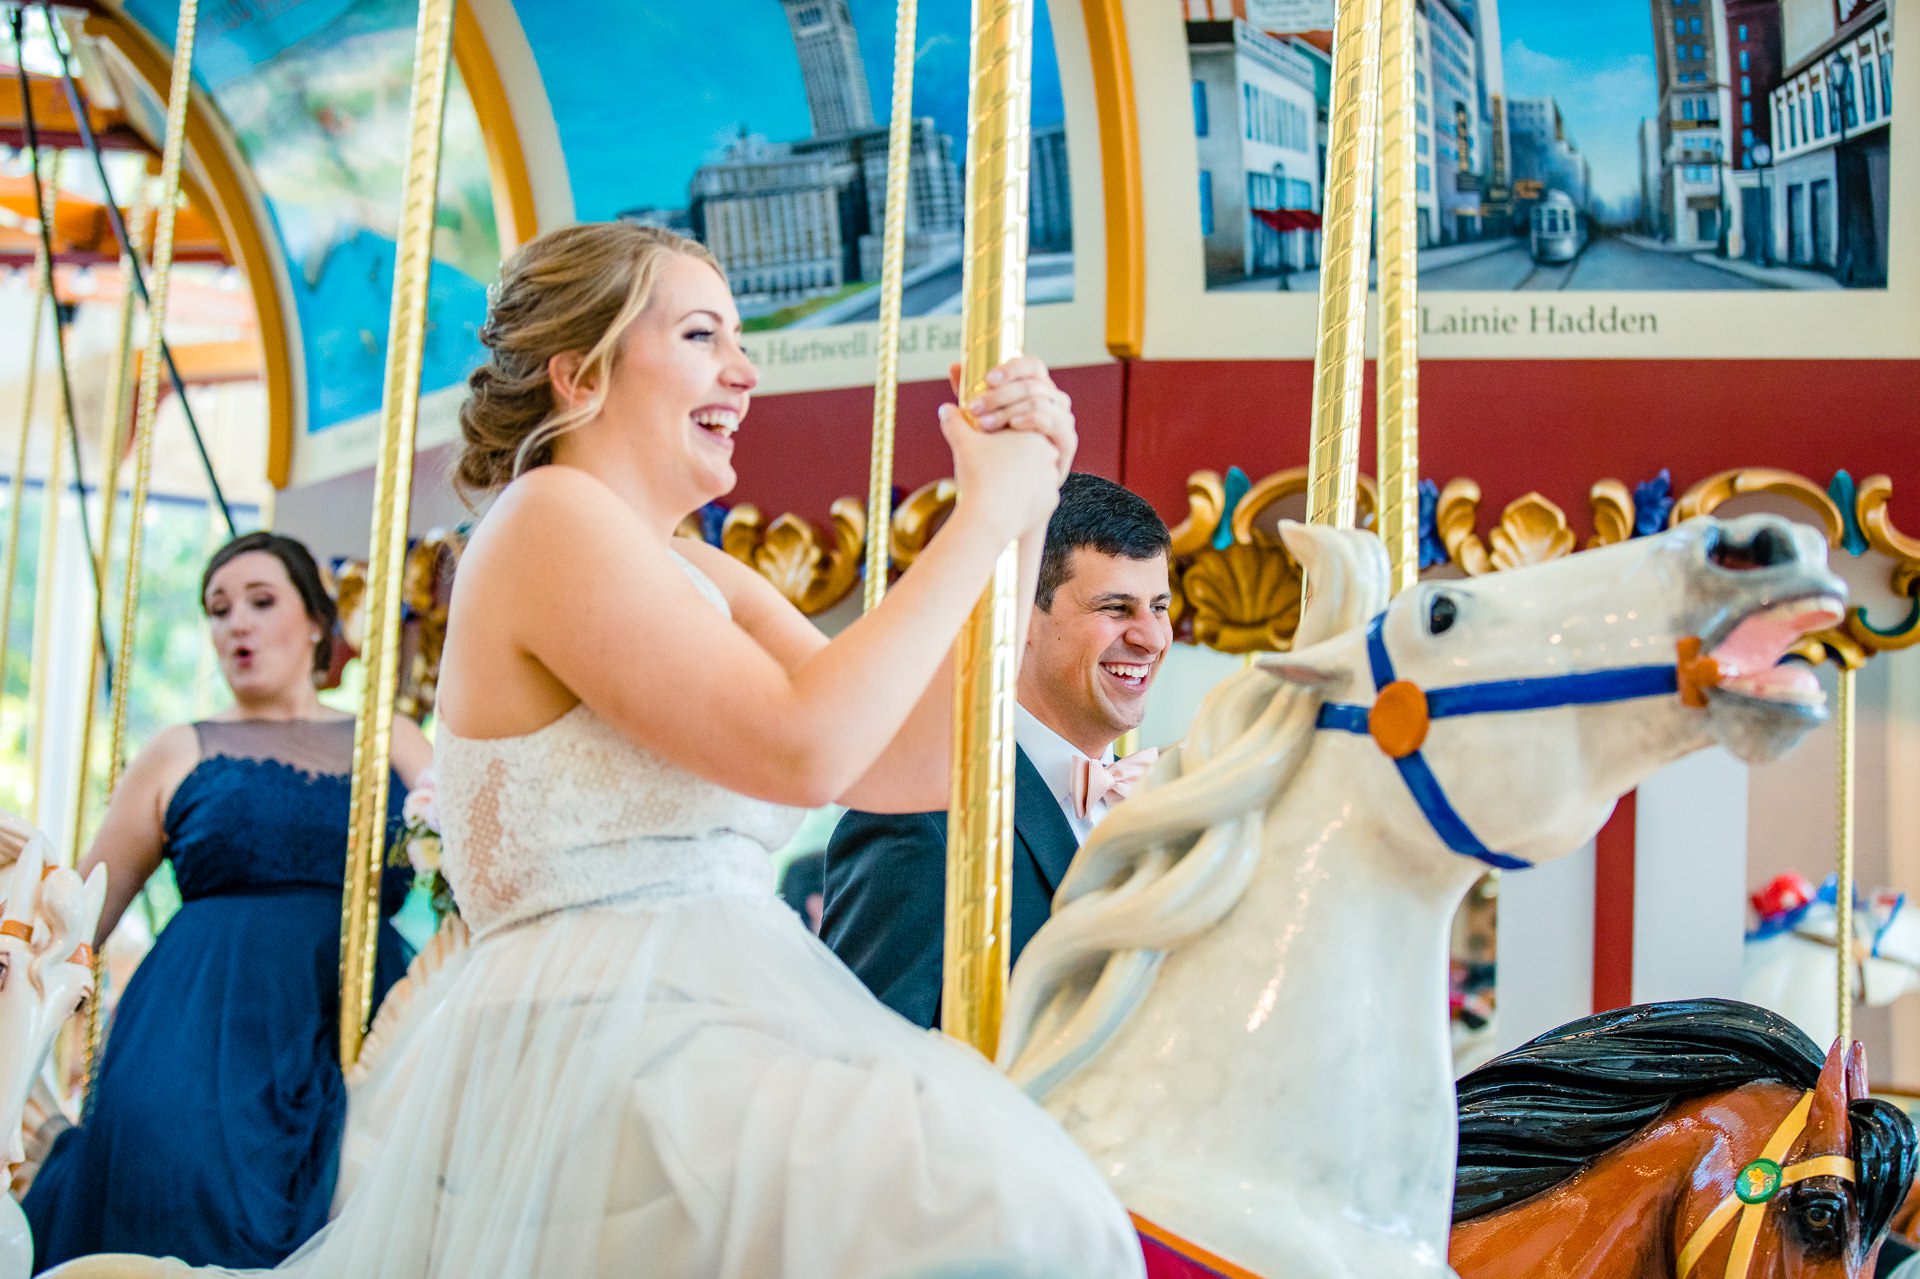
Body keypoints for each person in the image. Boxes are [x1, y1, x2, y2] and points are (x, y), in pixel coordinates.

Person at [126, 222, 1142, 1279]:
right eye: (703, 335)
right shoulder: (549, 517)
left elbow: (912, 763)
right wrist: (979, 518)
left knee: (1015, 1199)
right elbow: (805, 749)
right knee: (994, 1200)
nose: (745, 374)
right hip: (601, 1030)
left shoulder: (700, 572)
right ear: (580, 373)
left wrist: (1025, 523)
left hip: (702, 1007)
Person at [22, 532, 430, 1269]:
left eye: (260, 601)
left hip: (358, 1015)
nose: (234, 623)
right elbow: (79, 912)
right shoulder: (181, 748)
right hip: (197, 1026)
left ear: (315, 621)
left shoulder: (390, 738)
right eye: (216, 609)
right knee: (180, 1206)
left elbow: (468, 848)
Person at [823, 474, 1172, 1026]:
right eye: (1116, 608)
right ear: (1023, 618)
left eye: (1159, 606)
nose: (1151, 638)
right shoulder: (925, 821)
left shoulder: (1167, 805)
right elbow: (862, 1055)